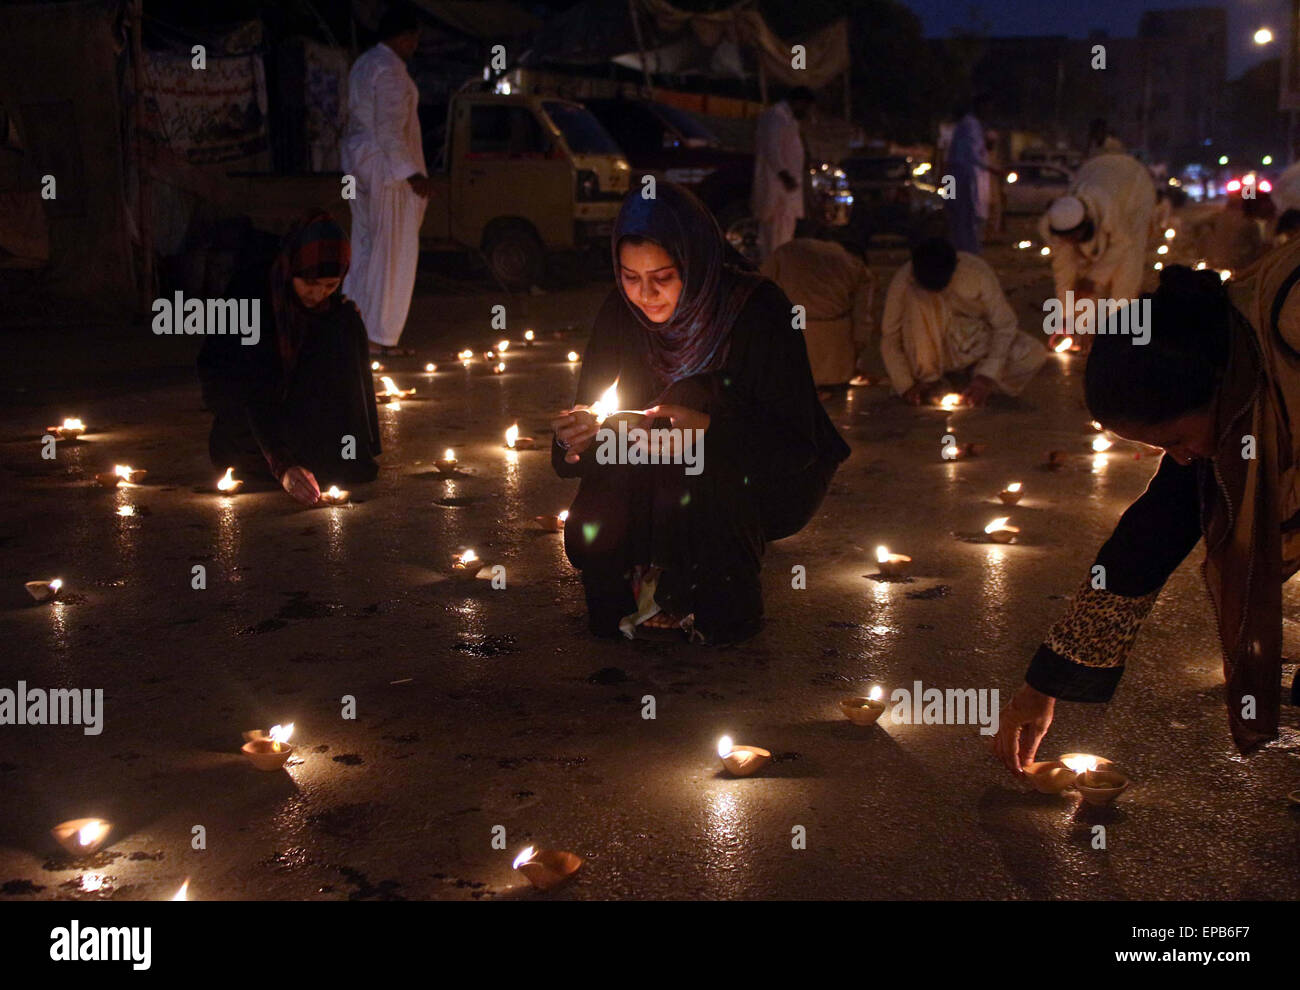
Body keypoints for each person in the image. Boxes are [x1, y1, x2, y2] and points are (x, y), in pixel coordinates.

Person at [993, 256, 1300, 775]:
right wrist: (1042, 684)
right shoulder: (1232, 392)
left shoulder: (1288, 334)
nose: (1182, 458)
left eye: (1177, 440)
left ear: (1216, 386)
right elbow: (1153, 532)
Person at [550, 183, 850, 644]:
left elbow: (793, 446)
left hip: (753, 474)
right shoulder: (619, 313)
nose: (645, 295)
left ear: (697, 262)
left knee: (694, 402)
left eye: (663, 277)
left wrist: (709, 430)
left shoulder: (758, 310)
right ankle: (642, 590)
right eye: (630, 276)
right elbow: (588, 427)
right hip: (648, 472)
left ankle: (706, 595)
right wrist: (575, 439)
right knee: (598, 526)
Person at [198, 212, 380, 505]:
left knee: (347, 323)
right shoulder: (251, 297)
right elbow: (251, 387)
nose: (318, 293)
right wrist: (282, 464)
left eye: (330, 285)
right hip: (246, 422)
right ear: (292, 266)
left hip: (293, 416)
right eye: (310, 283)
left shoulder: (331, 310)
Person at [341, 4, 430, 358]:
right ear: (404, 36)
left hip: (358, 162)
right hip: (386, 168)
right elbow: (390, 128)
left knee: (365, 246)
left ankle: (355, 332)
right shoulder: (390, 69)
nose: (415, 46)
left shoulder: (364, 64)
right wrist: (413, 174)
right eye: (414, 39)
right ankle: (379, 336)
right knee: (392, 250)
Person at [880, 237, 1046, 406]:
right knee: (917, 302)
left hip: (972, 346)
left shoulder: (976, 273)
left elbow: (1004, 325)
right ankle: (931, 382)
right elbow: (890, 336)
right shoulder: (905, 281)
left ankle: (968, 385)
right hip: (928, 359)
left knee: (1032, 354)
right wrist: (906, 385)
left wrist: (986, 376)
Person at [1039, 153, 1155, 344]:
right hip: (1095, 169)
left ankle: (1117, 334)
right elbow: (1064, 271)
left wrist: (1094, 279)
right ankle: (1087, 328)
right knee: (1085, 274)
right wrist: (1066, 320)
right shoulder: (1061, 220)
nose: (1071, 242)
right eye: (1067, 239)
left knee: (1127, 270)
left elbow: (1123, 244)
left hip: (1133, 187)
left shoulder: (1108, 207)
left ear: (1085, 224)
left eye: (1074, 237)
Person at [760, 237, 875, 389]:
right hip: (835, 351)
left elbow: (761, 293)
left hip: (791, 339)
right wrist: (857, 349)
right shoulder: (853, 265)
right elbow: (862, 317)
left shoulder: (783, 254)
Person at [752, 87, 814, 261]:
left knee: (783, 236)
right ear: (799, 102)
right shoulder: (776, 116)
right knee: (775, 239)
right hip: (778, 190)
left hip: (786, 192)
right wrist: (785, 176)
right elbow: (771, 149)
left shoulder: (788, 119)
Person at [944, 94, 993, 255]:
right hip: (960, 177)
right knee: (966, 216)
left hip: (951, 176)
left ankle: (960, 251)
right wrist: (992, 168)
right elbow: (972, 155)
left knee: (956, 214)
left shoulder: (963, 126)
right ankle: (968, 254)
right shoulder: (971, 125)